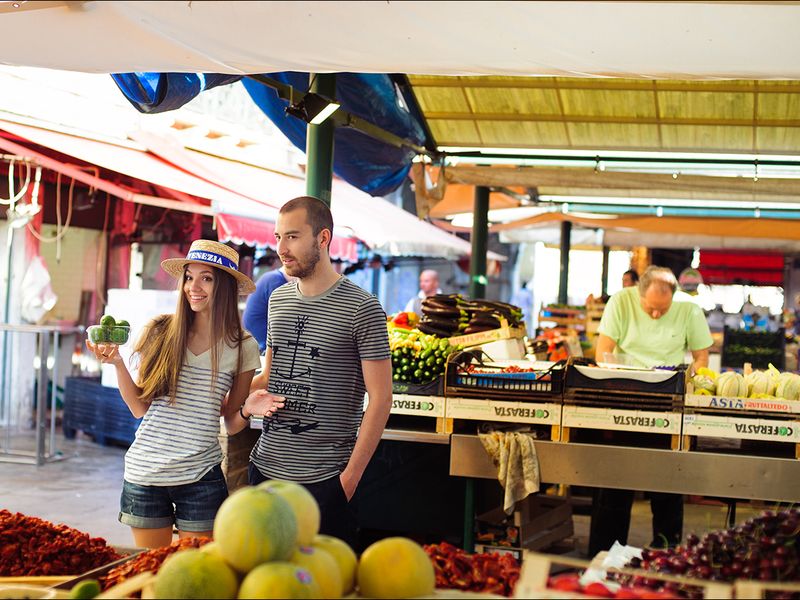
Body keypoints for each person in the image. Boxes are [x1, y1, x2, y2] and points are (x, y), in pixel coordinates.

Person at [86, 239, 285, 549]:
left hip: (201, 477)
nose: (194, 286)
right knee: (150, 572)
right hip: (145, 474)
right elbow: (140, 408)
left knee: (197, 573)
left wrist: (248, 409)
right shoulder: (160, 331)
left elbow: (232, 423)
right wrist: (116, 363)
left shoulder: (242, 345)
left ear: (226, 286)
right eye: (189, 277)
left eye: (206, 278)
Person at [236, 196, 392, 548]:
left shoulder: (363, 308)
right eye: (278, 237)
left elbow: (381, 399)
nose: (281, 248)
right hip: (265, 471)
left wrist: (349, 479)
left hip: (325, 481)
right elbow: (269, 376)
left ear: (323, 238)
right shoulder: (278, 299)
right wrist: (236, 400)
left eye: (292, 237)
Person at [589, 265, 713, 556]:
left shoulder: (689, 308)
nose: (657, 315)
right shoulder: (621, 301)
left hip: (669, 403)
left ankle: (666, 557)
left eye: (663, 309)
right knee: (614, 483)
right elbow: (602, 351)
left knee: (667, 484)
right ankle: (604, 556)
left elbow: (701, 355)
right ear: (638, 293)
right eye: (650, 309)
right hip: (622, 397)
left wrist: (693, 380)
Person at [242, 265, 295, 353]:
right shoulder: (277, 281)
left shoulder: (272, 277)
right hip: (262, 344)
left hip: (255, 340)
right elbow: (286, 324)